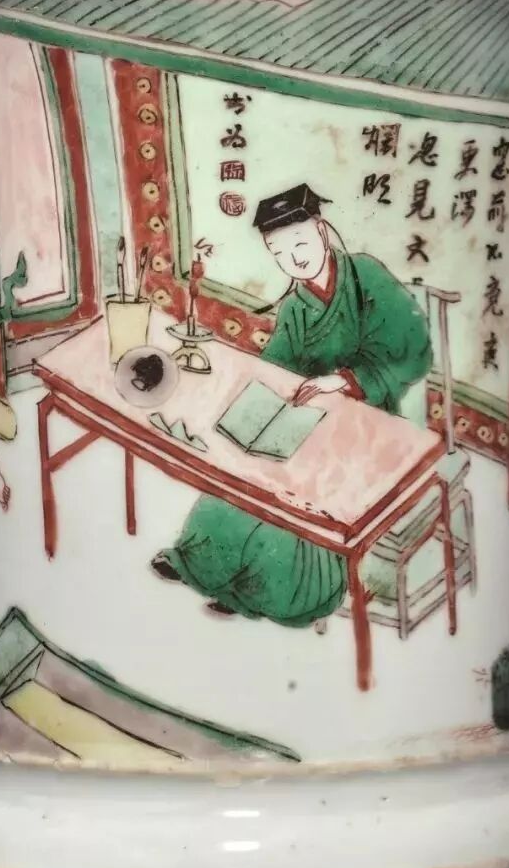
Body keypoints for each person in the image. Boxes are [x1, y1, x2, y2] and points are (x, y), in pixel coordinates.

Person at [151, 183, 433, 626]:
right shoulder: (296, 307)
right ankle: (208, 568)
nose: (294, 259)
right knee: (244, 469)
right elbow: (276, 371)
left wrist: (344, 382)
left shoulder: (364, 275)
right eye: (280, 253)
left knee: (294, 493)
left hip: (368, 421)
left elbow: (414, 348)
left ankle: (271, 593)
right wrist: (251, 400)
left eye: (299, 243)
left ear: (320, 230)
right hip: (311, 419)